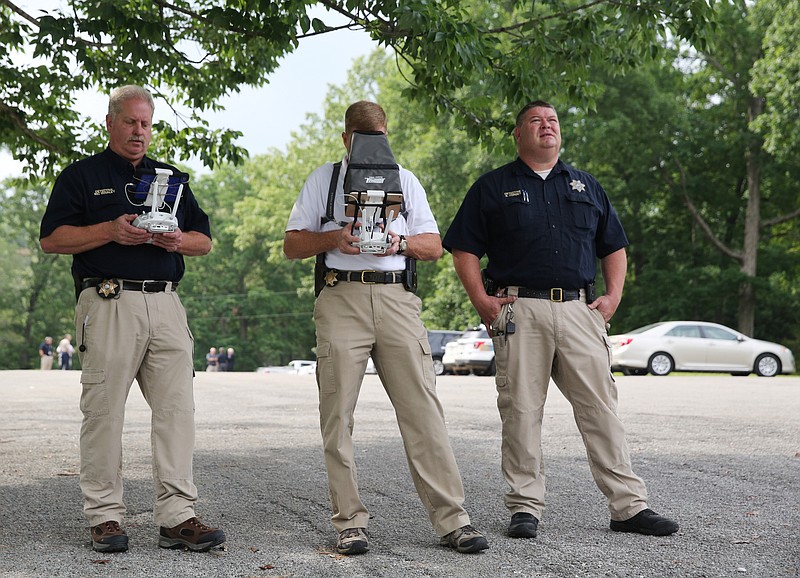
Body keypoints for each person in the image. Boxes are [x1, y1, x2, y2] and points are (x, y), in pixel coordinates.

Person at [443, 100, 679, 539]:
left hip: (579, 311)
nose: (546, 126)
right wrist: (482, 301)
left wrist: (612, 298)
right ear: (518, 134)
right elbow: (464, 248)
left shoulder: (586, 186)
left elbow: (614, 247)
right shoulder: (493, 187)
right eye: (536, 121)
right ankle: (525, 508)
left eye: (552, 120)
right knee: (521, 413)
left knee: (601, 410)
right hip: (519, 310)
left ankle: (628, 507)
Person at [284, 100, 488, 556]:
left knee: (423, 411)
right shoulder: (325, 179)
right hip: (341, 296)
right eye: (363, 136)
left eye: (380, 136)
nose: (373, 144)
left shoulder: (406, 180)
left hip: (397, 296)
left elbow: (434, 246)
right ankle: (349, 522)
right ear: (346, 139)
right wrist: (337, 237)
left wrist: (398, 242)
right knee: (338, 415)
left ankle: (453, 519)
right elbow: (292, 245)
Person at [39, 85, 225, 554]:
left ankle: (178, 517)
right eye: (130, 122)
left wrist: (176, 240)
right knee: (104, 413)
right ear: (110, 123)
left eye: (145, 124)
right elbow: (51, 239)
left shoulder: (171, 179)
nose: (139, 132)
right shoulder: (82, 176)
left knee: (177, 413)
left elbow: (204, 240)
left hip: (165, 303)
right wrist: (109, 230)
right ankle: (104, 517)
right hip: (108, 302)